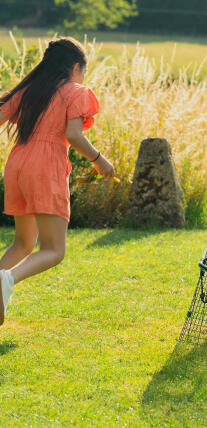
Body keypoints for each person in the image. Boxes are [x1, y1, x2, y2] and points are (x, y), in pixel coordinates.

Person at [0, 37, 115, 326]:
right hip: (45, 166)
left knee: (23, 243)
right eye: (83, 72)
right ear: (76, 67)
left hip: (17, 164)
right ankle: (6, 280)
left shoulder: (30, 90)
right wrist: (99, 160)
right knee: (54, 249)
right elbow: (74, 135)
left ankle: (2, 282)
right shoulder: (76, 91)